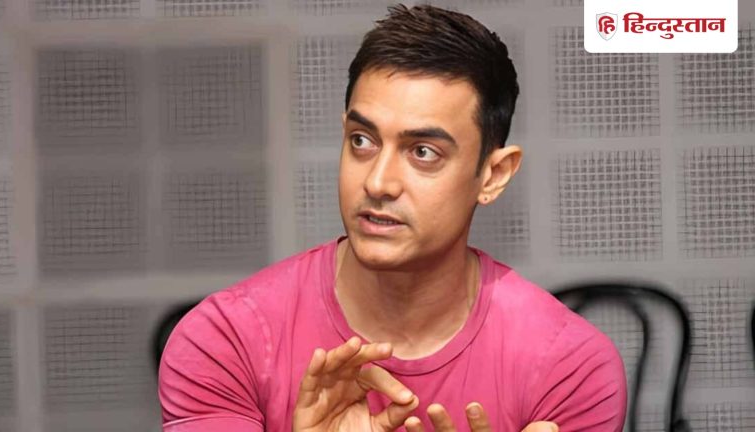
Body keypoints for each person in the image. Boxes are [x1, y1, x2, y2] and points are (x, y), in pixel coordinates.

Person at [158, 4, 627, 431]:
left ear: (493, 175)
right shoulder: (225, 342)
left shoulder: (569, 369)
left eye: (423, 152)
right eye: (362, 141)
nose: (378, 182)